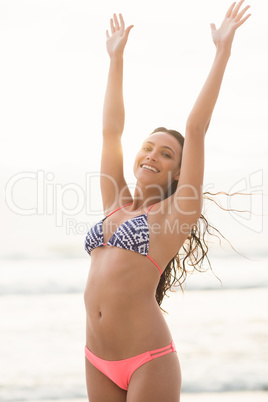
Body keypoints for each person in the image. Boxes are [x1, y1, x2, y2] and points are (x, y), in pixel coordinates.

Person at [84, 1, 251, 401]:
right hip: (96, 356)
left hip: (148, 358)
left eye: (165, 154)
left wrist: (222, 50)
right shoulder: (116, 202)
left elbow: (195, 128)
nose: (151, 156)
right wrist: (115, 58)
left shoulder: (177, 213)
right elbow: (110, 132)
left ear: (179, 171)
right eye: (148, 148)